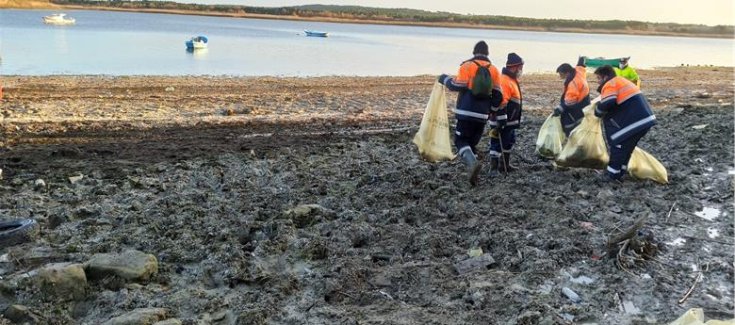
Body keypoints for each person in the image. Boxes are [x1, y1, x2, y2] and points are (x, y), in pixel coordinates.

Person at [438, 40, 504, 186]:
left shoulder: (467, 66)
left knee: (460, 141)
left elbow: (456, 85)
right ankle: (473, 174)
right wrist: (491, 111)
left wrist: (444, 79)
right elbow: (498, 95)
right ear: (487, 53)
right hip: (482, 115)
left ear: (474, 52)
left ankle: (472, 164)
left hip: (465, 112)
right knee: (472, 143)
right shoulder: (494, 70)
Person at [593, 65, 656, 182]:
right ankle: (621, 172)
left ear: (605, 77)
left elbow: (609, 102)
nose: (597, 82)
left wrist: (598, 110)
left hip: (634, 121)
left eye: (598, 78)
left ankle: (612, 175)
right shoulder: (620, 81)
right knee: (627, 148)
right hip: (644, 120)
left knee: (618, 145)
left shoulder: (610, 84)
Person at [488, 52, 524, 174]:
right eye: (520, 68)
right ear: (514, 67)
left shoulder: (510, 79)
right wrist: (500, 122)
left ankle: (505, 165)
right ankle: (493, 168)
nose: (521, 71)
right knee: (497, 143)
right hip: (502, 121)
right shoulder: (505, 80)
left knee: (508, 141)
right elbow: (501, 103)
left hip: (509, 121)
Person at [553, 57, 590, 136]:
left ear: (567, 73)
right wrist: (581, 60)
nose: (560, 76)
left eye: (561, 74)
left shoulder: (573, 83)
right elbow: (581, 66)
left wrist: (559, 109)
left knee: (567, 119)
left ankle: (569, 134)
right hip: (586, 99)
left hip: (580, 103)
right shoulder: (578, 72)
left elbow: (570, 101)